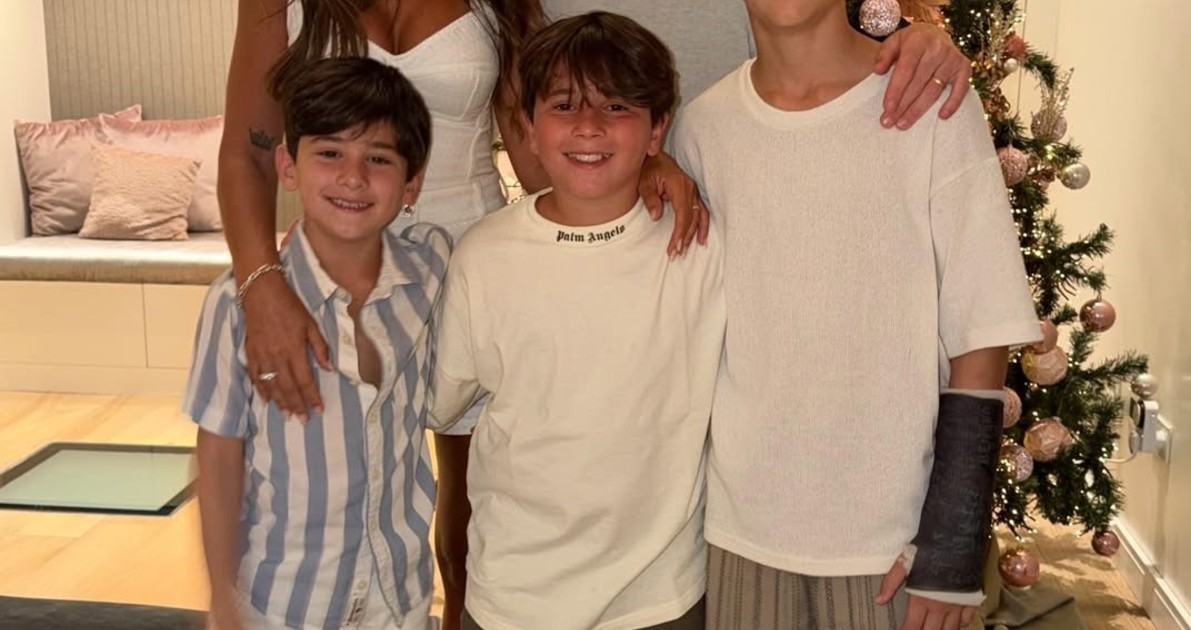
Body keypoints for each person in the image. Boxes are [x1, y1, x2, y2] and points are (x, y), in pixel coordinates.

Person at [219, 1, 968, 626]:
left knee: (469, 527)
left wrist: (632, 175)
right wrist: (260, 284)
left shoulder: (499, 5)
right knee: (334, 495)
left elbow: (538, 132)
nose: (590, 119)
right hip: (344, 261)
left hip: (471, 248)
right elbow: (246, 148)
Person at [670, 0, 1042, 628]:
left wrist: (953, 543)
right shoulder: (702, 128)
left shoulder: (931, 104)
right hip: (740, 530)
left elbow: (982, 326)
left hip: (890, 540)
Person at [426, 12, 725, 630]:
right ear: (527, 128)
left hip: (658, 598)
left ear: (657, 129)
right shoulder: (484, 255)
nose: (589, 125)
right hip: (513, 598)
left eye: (617, 106)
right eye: (564, 105)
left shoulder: (698, 244)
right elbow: (439, 401)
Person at [187, 57, 450, 630]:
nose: (353, 177)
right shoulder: (234, 305)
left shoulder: (432, 269)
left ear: (412, 182)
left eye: (378, 159)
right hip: (284, 605)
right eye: (329, 153)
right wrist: (221, 597)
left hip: (401, 601)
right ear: (288, 165)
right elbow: (218, 457)